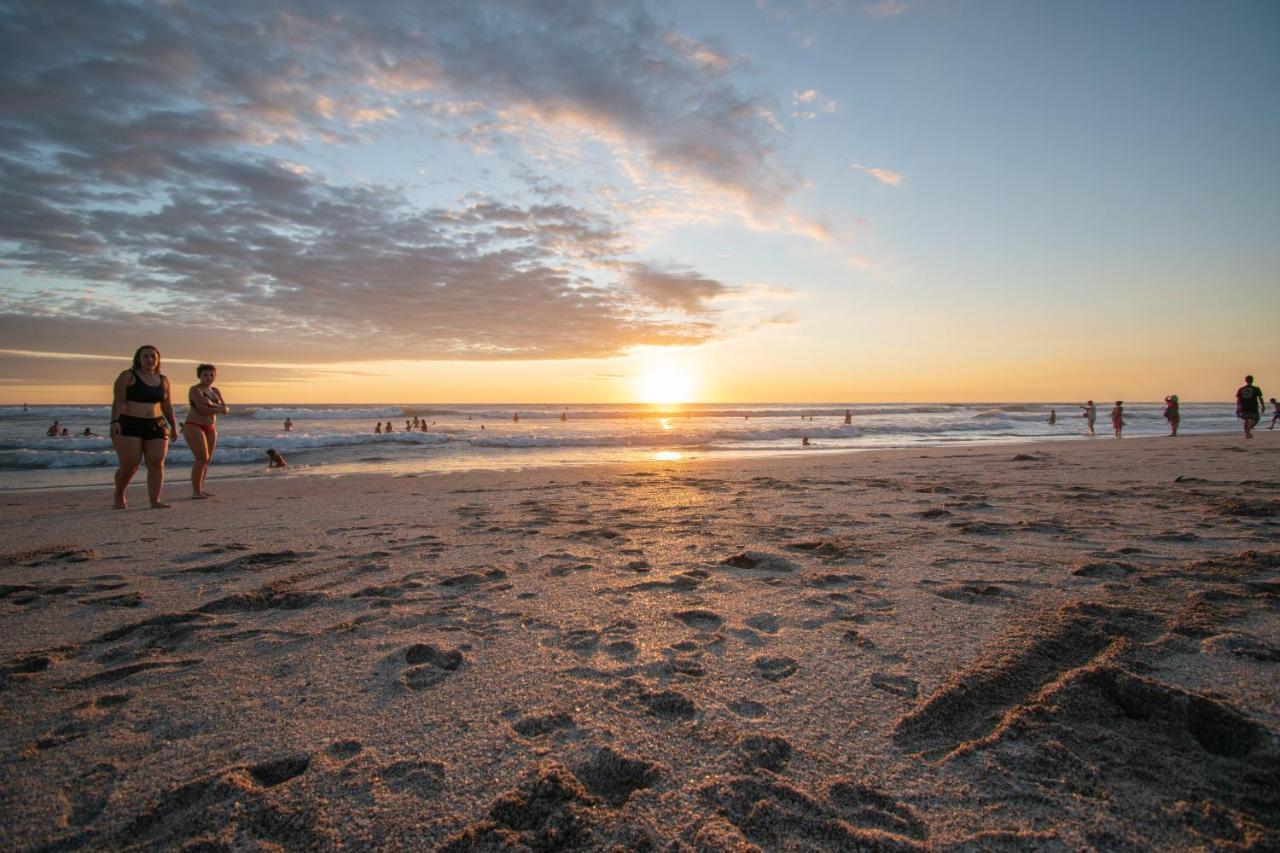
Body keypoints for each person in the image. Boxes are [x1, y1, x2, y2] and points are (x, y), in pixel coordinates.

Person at [110, 345, 177, 509]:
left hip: (157, 423)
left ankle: (155, 500)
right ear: (138, 359)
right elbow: (119, 400)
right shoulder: (127, 376)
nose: (150, 359)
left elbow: (167, 406)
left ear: (158, 359)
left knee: (157, 462)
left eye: (153, 356)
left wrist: (173, 425)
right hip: (130, 422)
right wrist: (114, 422)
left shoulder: (163, 380)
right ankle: (119, 493)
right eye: (146, 356)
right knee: (131, 463)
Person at [183, 363, 229, 499]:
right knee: (201, 458)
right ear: (199, 376)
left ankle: (201, 488)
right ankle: (195, 491)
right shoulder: (195, 390)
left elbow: (225, 409)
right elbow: (202, 410)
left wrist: (212, 405)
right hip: (194, 425)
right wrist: (217, 408)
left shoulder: (215, 390)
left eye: (211, 375)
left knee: (207, 460)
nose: (209, 377)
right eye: (205, 375)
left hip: (210, 427)